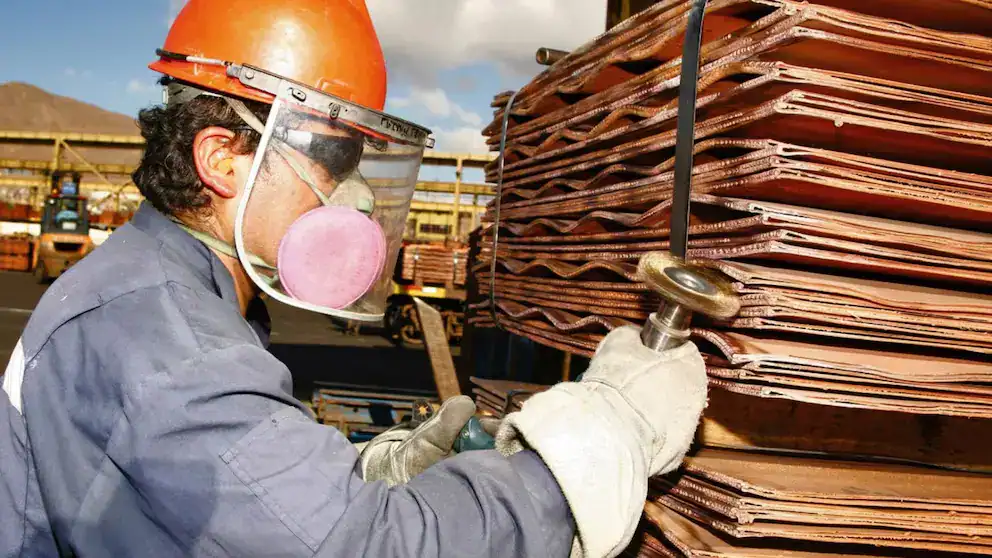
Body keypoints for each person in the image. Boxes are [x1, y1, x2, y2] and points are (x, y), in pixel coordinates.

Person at [0, 1, 708, 557]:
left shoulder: (161, 293)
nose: (356, 197)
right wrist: (602, 436)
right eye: (332, 159)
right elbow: (374, 547)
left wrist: (368, 473)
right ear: (221, 160)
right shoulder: (170, 344)